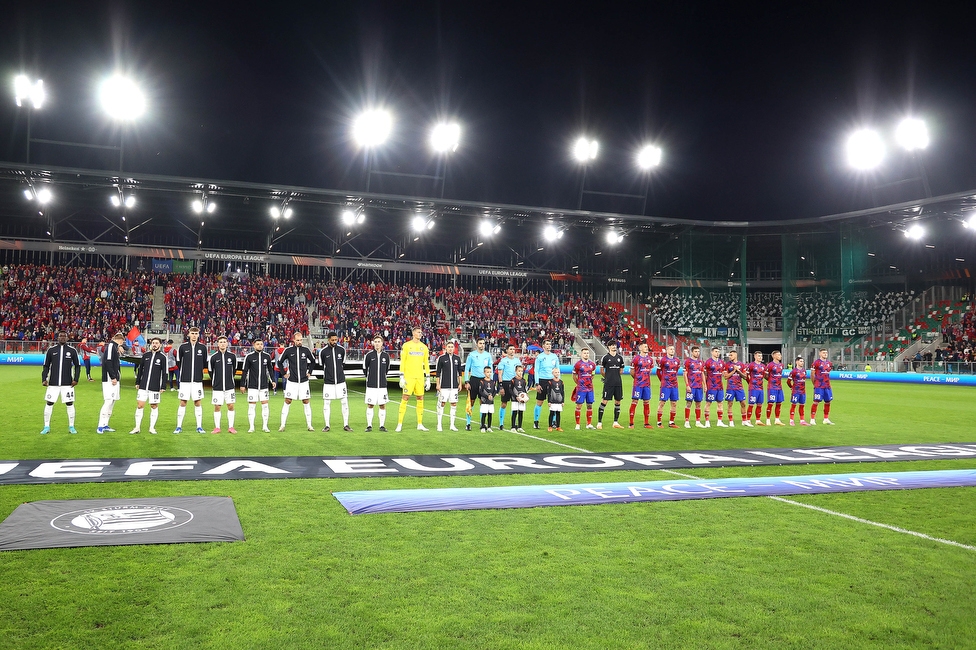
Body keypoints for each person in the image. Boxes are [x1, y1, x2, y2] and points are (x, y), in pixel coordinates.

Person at [40, 330, 81, 435]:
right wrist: (44, 378)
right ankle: (46, 426)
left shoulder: (72, 350)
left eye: (64, 336)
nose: (62, 338)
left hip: (67, 384)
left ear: (67, 338)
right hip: (53, 383)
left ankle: (71, 426)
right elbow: (46, 366)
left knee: (70, 404)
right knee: (49, 403)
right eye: (61, 336)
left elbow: (77, 365)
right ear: (57, 338)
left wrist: (76, 379)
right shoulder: (51, 350)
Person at [396, 326, 431, 432]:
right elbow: (403, 361)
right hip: (409, 377)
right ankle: (399, 424)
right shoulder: (406, 346)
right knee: (405, 398)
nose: (420, 334)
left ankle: (420, 424)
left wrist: (428, 378)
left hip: (420, 377)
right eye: (418, 332)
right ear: (413, 333)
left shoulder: (424, 347)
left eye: (421, 332)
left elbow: (426, 363)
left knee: (420, 399)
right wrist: (401, 376)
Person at [279, 331, 315, 431]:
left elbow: (313, 361)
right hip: (292, 381)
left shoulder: (306, 350)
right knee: (287, 401)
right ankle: (282, 425)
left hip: (304, 381)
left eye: (301, 340)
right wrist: (284, 373)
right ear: (293, 340)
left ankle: (309, 425)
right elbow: (279, 362)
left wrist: (309, 372)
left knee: (306, 401)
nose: (300, 342)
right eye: (298, 340)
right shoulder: (288, 350)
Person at [174, 326, 208, 434]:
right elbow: (178, 362)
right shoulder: (183, 347)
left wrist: (197, 373)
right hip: (185, 380)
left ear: (198, 335)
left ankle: (199, 426)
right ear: (188, 334)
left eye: (196, 334)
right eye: (192, 334)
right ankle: (178, 426)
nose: (194, 336)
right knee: (183, 402)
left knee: (197, 402)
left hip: (197, 381)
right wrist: (186, 373)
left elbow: (204, 363)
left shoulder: (202, 348)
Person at [129, 337, 166, 435]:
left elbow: (164, 373)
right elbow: (140, 370)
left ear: (160, 345)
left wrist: (163, 386)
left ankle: (152, 428)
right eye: (153, 343)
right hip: (143, 385)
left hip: (155, 386)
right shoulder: (145, 355)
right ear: (151, 344)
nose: (154, 344)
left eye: (157, 343)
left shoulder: (162, 357)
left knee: (154, 406)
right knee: (140, 405)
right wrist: (137, 382)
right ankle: (137, 427)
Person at [241, 338, 276, 432]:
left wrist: (273, 380)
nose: (260, 345)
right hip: (253, 386)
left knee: (265, 405)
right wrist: (242, 384)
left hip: (264, 386)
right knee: (252, 405)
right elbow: (245, 371)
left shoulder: (267, 356)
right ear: (254, 345)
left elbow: (270, 370)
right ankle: (251, 427)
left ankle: (265, 426)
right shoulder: (249, 357)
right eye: (258, 344)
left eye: (261, 344)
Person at [319, 331, 351, 432]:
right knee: (327, 403)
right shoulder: (323, 352)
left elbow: (343, 364)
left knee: (344, 402)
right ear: (328, 340)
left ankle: (346, 424)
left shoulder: (342, 350)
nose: (334, 341)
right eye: (332, 340)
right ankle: (327, 425)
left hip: (341, 381)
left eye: (336, 340)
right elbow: (321, 365)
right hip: (328, 382)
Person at [97, 332, 126, 434]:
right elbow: (108, 362)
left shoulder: (114, 347)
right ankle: (100, 425)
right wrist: (113, 377)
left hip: (115, 379)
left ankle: (105, 424)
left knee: (112, 401)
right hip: (109, 379)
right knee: (108, 401)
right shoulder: (110, 346)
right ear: (120, 340)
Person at [209, 335, 237, 434]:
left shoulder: (232, 356)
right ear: (217, 344)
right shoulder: (213, 357)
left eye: (224, 342)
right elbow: (210, 371)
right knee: (217, 406)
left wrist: (229, 380)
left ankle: (231, 427)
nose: (222, 344)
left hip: (229, 387)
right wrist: (216, 381)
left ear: (227, 343)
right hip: (217, 387)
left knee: (230, 406)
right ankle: (217, 427)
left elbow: (234, 370)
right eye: (220, 342)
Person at [363, 334, 392, 432]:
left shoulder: (386, 356)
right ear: (373, 343)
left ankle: (382, 426)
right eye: (375, 342)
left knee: (382, 405)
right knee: (370, 404)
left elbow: (387, 369)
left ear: (382, 343)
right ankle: (369, 426)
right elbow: (365, 369)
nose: (377, 344)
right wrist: (370, 379)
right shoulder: (369, 355)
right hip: (371, 386)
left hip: (382, 386)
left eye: (379, 342)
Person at [463, 338, 492, 431]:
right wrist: (467, 381)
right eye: (480, 343)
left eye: (483, 343)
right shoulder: (471, 355)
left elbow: (490, 368)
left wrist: (490, 381)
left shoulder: (488, 355)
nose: (482, 345)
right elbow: (467, 369)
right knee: (471, 402)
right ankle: (468, 423)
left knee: (483, 402)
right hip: (474, 380)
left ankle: (482, 423)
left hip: (484, 381)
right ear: (477, 345)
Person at [435, 339, 463, 431]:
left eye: (452, 347)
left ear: (454, 348)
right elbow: (438, 372)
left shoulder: (457, 358)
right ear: (445, 348)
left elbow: (459, 372)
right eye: (449, 347)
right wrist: (438, 384)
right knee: (442, 404)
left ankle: (452, 425)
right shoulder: (441, 358)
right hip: (444, 386)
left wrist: (460, 383)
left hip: (454, 386)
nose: (450, 349)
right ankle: (439, 424)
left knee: (453, 404)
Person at [533, 340, 559, 430]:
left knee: (554, 401)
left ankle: (554, 421)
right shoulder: (539, 357)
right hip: (542, 380)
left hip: (552, 381)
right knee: (540, 402)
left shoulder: (554, 356)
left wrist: (557, 380)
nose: (549, 346)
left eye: (550, 344)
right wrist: (537, 383)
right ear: (543, 346)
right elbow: (536, 370)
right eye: (547, 344)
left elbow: (557, 369)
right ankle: (536, 421)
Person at [629, 341, 655, 429]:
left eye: (647, 347)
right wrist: (638, 379)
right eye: (644, 347)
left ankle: (646, 423)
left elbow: (650, 371)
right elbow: (632, 372)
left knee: (646, 402)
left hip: (647, 385)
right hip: (638, 385)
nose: (646, 348)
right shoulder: (636, 359)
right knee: (634, 402)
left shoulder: (650, 359)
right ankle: (631, 423)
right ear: (640, 348)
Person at [496, 344, 520, 432]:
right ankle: (501, 423)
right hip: (506, 383)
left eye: (513, 349)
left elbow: (520, 373)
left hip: (515, 383)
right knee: (504, 404)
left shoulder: (518, 361)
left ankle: (513, 424)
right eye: (511, 349)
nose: (513, 350)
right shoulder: (503, 361)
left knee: (515, 405)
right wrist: (501, 386)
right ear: (507, 350)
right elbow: (500, 374)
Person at [656, 343, 681, 428]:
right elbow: (658, 372)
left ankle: (671, 422)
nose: (672, 351)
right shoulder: (663, 360)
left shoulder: (677, 360)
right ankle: (659, 422)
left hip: (674, 385)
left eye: (673, 349)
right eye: (670, 349)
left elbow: (676, 371)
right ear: (667, 350)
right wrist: (662, 380)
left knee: (674, 403)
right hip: (665, 385)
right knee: (662, 403)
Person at [573, 348, 597, 430]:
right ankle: (577, 424)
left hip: (590, 388)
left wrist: (588, 382)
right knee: (579, 405)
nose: (586, 354)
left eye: (587, 353)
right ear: (581, 354)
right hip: (581, 388)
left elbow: (593, 375)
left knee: (589, 405)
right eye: (584, 353)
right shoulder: (578, 364)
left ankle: (589, 424)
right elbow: (574, 376)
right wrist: (579, 383)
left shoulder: (592, 365)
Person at [810, 348, 835, 425]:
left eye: (826, 353)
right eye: (823, 353)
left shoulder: (829, 363)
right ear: (820, 354)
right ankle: (812, 419)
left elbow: (828, 373)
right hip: (819, 385)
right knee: (816, 401)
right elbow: (812, 374)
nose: (825, 354)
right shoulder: (816, 363)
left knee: (828, 402)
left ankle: (826, 419)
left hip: (827, 386)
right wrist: (815, 383)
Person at [723, 349, 747, 427]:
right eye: (729, 355)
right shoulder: (727, 365)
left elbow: (745, 377)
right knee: (730, 404)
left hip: (739, 387)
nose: (730, 357)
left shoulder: (742, 365)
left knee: (743, 403)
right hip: (730, 387)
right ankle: (731, 421)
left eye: (731, 355)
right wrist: (734, 370)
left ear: (736, 355)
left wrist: (738, 371)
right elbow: (726, 377)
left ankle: (744, 421)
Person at [703, 347, 726, 427]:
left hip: (719, 386)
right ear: (712, 352)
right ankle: (707, 421)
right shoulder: (708, 362)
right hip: (711, 386)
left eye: (718, 352)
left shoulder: (721, 362)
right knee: (708, 403)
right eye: (716, 351)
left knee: (720, 403)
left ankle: (719, 421)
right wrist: (705, 385)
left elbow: (724, 373)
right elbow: (705, 375)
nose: (717, 353)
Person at [764, 350, 786, 426]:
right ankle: (768, 420)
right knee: (771, 403)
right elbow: (765, 375)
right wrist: (771, 381)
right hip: (772, 387)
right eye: (778, 355)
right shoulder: (770, 365)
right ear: (774, 356)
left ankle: (777, 419)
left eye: (780, 354)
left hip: (779, 387)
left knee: (779, 403)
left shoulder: (781, 365)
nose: (780, 356)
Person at [745, 350, 766, 427]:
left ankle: (758, 420)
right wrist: (750, 383)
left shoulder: (763, 366)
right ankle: (748, 420)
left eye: (761, 356)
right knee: (751, 404)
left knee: (759, 404)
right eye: (759, 356)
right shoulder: (751, 365)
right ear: (755, 356)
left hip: (760, 388)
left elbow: (764, 376)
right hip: (753, 388)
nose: (760, 357)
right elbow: (746, 376)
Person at [542, 366, 565, 431]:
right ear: (553, 373)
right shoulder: (550, 382)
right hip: (553, 400)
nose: (557, 373)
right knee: (552, 413)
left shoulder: (561, 382)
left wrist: (563, 401)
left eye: (558, 372)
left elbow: (562, 392)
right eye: (555, 372)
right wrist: (549, 401)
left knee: (558, 413)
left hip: (559, 400)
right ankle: (550, 426)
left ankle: (558, 426)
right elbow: (548, 392)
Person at [787, 356, 808, 426]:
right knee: (794, 405)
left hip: (803, 391)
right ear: (797, 362)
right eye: (801, 361)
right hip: (796, 391)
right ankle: (791, 420)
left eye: (803, 361)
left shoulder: (804, 371)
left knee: (802, 405)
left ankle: (802, 420)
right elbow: (788, 381)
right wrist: (791, 387)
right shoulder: (793, 371)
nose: (802, 363)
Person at [478, 365, 498, 432]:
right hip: (484, 400)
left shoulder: (493, 382)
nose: (489, 373)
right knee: (484, 413)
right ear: (484, 373)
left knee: (490, 413)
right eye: (487, 372)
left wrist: (492, 396)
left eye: (490, 372)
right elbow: (480, 391)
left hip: (491, 401)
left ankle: (489, 427)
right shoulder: (482, 381)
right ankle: (483, 426)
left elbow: (495, 390)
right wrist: (487, 396)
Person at [509, 364, 529, 432]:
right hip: (515, 399)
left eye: (521, 371)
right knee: (514, 412)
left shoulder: (524, 380)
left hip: (521, 399)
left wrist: (525, 395)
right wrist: (516, 396)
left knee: (521, 412)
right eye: (519, 371)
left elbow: (524, 389)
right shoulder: (513, 380)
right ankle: (513, 427)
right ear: (516, 371)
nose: (520, 372)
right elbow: (510, 390)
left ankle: (520, 426)